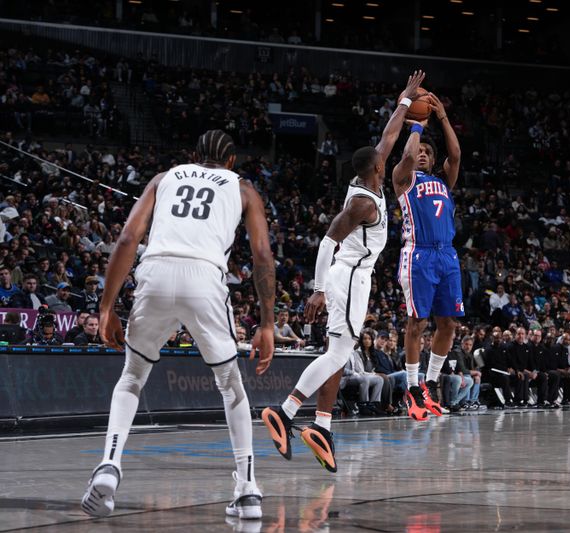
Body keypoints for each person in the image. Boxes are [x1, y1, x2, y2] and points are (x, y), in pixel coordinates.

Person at [81, 130, 276, 521]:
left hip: (155, 270)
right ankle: (247, 489)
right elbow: (261, 256)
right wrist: (267, 322)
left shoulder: (165, 177)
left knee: (132, 377)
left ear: (192, 156)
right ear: (231, 163)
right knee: (230, 384)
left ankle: (109, 466)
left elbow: (126, 239)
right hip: (204, 277)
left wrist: (106, 307)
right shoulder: (243, 188)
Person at [261, 71, 426, 473]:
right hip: (348, 276)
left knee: (338, 353)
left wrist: (405, 102)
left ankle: (322, 426)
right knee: (338, 352)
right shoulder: (362, 204)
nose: (386, 161)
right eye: (381, 162)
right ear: (374, 170)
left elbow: (388, 137)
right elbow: (326, 242)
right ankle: (284, 412)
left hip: (356, 277)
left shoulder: (371, 175)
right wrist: (318, 290)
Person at [395, 90, 463, 421]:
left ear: (433, 160)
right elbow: (406, 157)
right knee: (417, 322)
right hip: (418, 255)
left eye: (426, 153)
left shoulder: (443, 181)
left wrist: (441, 117)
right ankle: (411, 387)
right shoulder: (403, 179)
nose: (421, 155)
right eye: (419, 152)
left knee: (448, 323)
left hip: (447, 256)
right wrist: (416, 127)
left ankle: (430, 382)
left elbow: (456, 154)